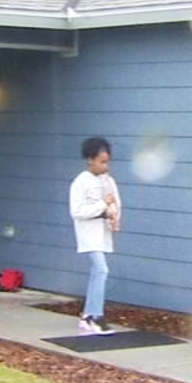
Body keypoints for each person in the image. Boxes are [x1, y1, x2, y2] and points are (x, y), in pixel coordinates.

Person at [69, 136, 122, 334]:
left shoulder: (109, 181)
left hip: (103, 233)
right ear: (90, 160)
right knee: (101, 270)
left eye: (107, 161)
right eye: (101, 161)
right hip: (88, 234)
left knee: (96, 272)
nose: (105, 166)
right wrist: (102, 205)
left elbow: (116, 203)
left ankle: (88, 315)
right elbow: (77, 211)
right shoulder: (80, 182)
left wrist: (114, 216)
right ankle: (95, 315)